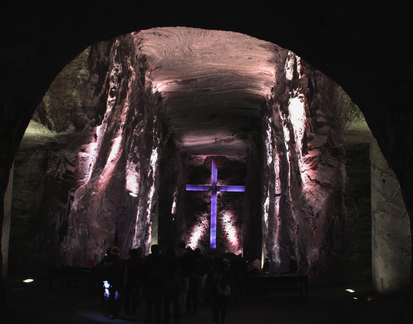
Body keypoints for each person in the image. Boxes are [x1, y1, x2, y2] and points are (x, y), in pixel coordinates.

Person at [206, 257, 234, 324]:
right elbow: (208, 281)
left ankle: (221, 317)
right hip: (215, 290)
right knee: (215, 307)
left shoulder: (225, 271)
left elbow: (231, 280)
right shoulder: (212, 271)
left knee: (222, 307)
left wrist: (226, 282)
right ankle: (216, 320)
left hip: (222, 291)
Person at [143, 244, 166, 323]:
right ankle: (157, 317)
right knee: (158, 301)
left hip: (149, 282)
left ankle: (149, 316)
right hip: (159, 281)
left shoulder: (148, 258)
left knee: (148, 301)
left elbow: (144, 270)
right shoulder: (162, 258)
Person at [101, 246, 125, 320]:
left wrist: (124, 282)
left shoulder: (122, 262)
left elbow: (125, 272)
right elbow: (104, 268)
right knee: (109, 298)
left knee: (118, 299)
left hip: (118, 282)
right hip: (109, 282)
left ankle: (116, 313)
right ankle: (110, 313)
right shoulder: (107, 261)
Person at [124, 248, 143, 319]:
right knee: (129, 299)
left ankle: (130, 313)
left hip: (132, 282)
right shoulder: (129, 262)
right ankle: (130, 313)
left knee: (131, 299)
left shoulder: (135, 263)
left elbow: (139, 274)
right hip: (130, 282)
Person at [163, 248, 181, 323]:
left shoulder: (165, 261)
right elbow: (179, 272)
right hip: (176, 284)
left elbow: (164, 272)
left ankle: (166, 319)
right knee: (176, 302)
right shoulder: (177, 261)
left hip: (166, 284)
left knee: (166, 303)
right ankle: (177, 318)